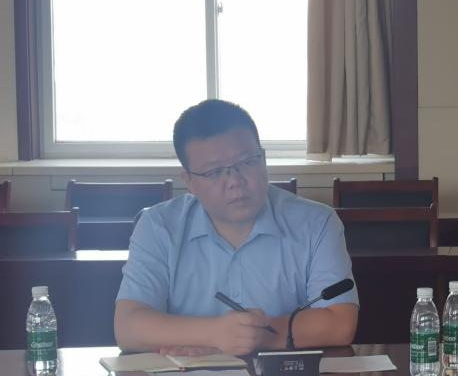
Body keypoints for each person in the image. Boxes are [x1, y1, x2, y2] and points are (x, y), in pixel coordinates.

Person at [114, 99, 359, 356]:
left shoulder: (316, 222)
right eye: (214, 172)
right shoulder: (158, 226)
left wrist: (254, 337)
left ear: (263, 159)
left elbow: (339, 323)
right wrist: (214, 334)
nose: (235, 181)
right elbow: (128, 327)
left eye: (247, 162)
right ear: (189, 182)